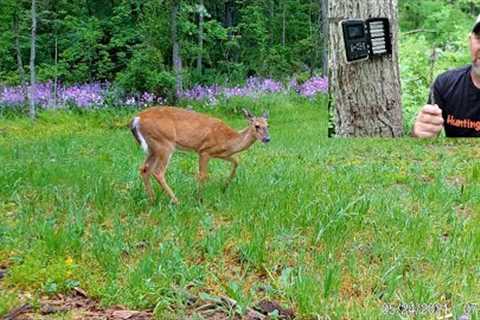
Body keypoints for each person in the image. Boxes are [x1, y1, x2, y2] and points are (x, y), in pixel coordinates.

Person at [412, 14, 480, 137]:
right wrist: (421, 133)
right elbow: (425, 146)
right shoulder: (446, 84)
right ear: (470, 41)